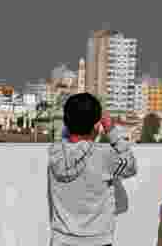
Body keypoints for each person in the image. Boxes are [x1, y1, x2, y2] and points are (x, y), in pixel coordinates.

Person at [48, 93, 138, 246]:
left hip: (61, 240)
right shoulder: (104, 156)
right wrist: (111, 130)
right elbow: (131, 166)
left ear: (66, 122)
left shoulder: (55, 153)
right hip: (98, 241)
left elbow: (66, 138)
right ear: (97, 125)